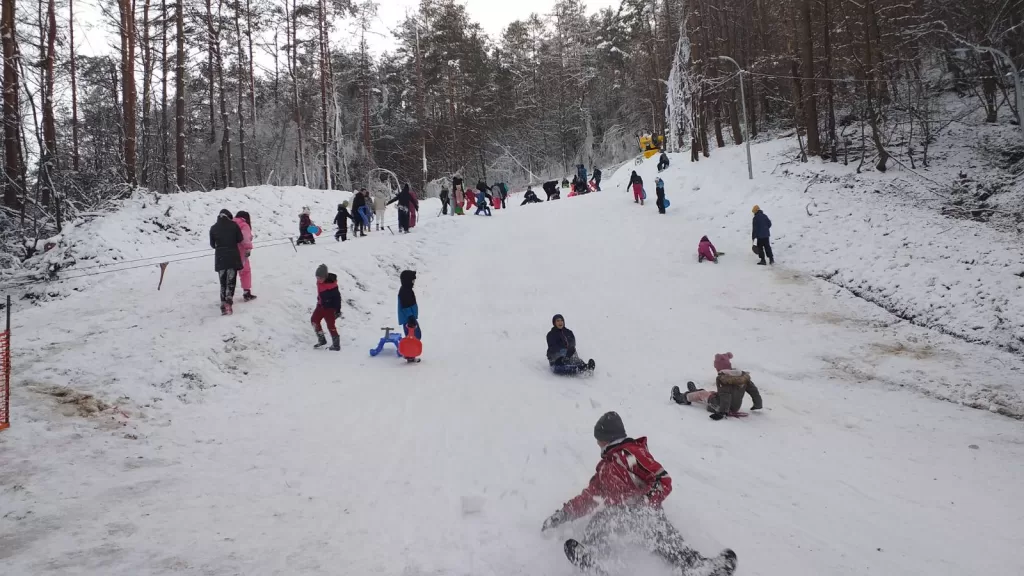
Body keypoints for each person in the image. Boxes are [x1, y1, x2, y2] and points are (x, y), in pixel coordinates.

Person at [542, 412, 738, 575]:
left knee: (663, 534)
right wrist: (565, 514)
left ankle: (698, 567)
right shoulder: (604, 467)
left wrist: (645, 505)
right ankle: (592, 560)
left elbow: (662, 480)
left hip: (646, 512)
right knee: (600, 521)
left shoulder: (631, 453)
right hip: (618, 514)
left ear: (606, 439)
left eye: (598, 440)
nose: (598, 445)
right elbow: (589, 498)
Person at [671, 353, 763, 420]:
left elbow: (725, 395)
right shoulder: (742, 376)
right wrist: (758, 404)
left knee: (702, 394)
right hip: (735, 406)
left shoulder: (723, 378)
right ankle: (695, 392)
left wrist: (722, 412)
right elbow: (754, 391)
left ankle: (681, 398)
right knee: (711, 393)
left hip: (721, 406)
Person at [211, 209, 244, 315]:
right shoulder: (234, 225)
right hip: (232, 256)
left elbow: (212, 245)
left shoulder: (213, 228)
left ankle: (222, 302)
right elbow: (240, 239)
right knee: (231, 281)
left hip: (220, 258)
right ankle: (229, 302)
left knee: (222, 282)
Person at [311, 264, 341, 351]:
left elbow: (338, 298)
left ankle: (336, 345)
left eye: (320, 278)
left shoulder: (332, 286)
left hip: (330, 309)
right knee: (314, 320)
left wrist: (338, 310)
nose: (318, 280)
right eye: (317, 278)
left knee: (330, 325)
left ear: (325, 276)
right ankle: (322, 339)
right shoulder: (320, 282)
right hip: (320, 306)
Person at [233, 210, 256, 301]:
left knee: (231, 273)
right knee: (245, 271)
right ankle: (247, 292)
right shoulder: (244, 225)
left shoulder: (231, 222)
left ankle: (228, 295)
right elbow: (245, 238)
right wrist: (248, 248)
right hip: (241, 251)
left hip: (230, 251)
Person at [398, 270, 422, 356]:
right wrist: (410, 317)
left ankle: (410, 354)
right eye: (412, 280)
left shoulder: (407, 289)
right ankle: (409, 355)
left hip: (410, 317)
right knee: (413, 336)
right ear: (407, 280)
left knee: (416, 335)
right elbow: (405, 306)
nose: (413, 282)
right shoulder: (405, 291)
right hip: (408, 318)